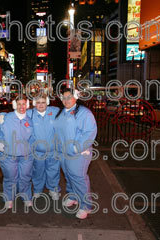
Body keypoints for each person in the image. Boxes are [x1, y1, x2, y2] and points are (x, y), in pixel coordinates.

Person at [54, 88, 97, 219]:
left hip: (78, 153)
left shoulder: (84, 113)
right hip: (63, 152)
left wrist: (76, 148)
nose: (66, 100)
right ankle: (73, 196)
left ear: (76, 97)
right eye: (64, 97)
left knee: (78, 178)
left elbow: (89, 132)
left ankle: (86, 205)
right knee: (68, 176)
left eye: (69, 97)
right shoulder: (61, 113)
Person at [0, 96, 35, 209]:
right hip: (8, 154)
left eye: (23, 104)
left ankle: (26, 197)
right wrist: (0, 144)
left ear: (27, 105)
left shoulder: (29, 119)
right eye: (19, 104)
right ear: (14, 105)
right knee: (10, 177)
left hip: (26, 155)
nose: (21, 107)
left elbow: (33, 137)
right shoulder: (6, 118)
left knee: (25, 177)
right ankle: (8, 198)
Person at [27, 94, 60, 200]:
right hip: (37, 151)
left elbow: (70, 115)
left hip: (53, 151)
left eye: (43, 102)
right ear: (34, 104)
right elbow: (15, 116)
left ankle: (53, 189)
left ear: (47, 103)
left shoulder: (55, 111)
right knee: (37, 171)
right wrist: (3, 115)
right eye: (38, 102)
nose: (40, 105)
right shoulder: (29, 114)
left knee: (53, 171)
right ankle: (37, 190)